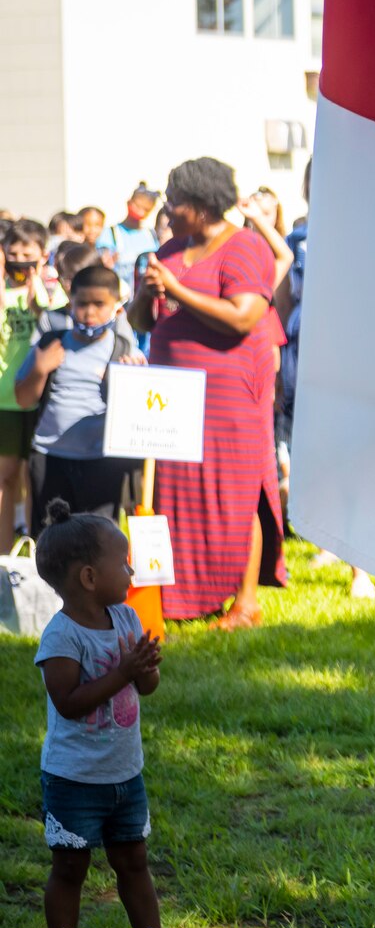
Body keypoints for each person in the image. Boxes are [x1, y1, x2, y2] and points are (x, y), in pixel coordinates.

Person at [128, 158, 286, 627]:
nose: (168, 208)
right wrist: (147, 292)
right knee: (176, 494)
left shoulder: (244, 248)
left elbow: (242, 316)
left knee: (235, 491)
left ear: (199, 206)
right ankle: (177, 598)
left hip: (229, 393)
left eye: (175, 201)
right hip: (171, 393)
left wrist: (176, 287)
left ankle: (245, 602)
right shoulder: (171, 249)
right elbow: (143, 320)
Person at [34, 502, 188, 928]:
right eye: (123, 562)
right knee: (70, 866)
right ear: (87, 577)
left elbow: (146, 687)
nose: (131, 569)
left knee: (134, 860)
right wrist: (123, 670)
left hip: (125, 773)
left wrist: (144, 670)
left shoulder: (124, 619)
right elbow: (69, 703)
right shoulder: (61, 636)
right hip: (74, 777)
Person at [14, 265, 144, 533]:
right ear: (70, 300)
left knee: (97, 538)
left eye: (100, 304)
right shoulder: (52, 342)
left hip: (100, 461)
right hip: (50, 457)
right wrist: (40, 369)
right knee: (51, 538)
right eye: (82, 303)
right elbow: (24, 399)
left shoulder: (123, 349)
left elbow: (137, 412)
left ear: (115, 306)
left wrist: (129, 381)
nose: (90, 312)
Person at [2, 219, 54, 549]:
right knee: (5, 477)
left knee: (34, 479)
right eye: (13, 252)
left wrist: (38, 292)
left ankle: (35, 545)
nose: (19, 259)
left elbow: (49, 321)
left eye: (27, 253)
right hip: (4, 399)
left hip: (39, 400)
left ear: (42, 255)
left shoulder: (52, 291)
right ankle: (4, 550)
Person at [94, 185, 160, 294]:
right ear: (129, 202)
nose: (140, 211)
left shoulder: (151, 235)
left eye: (146, 209)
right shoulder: (111, 233)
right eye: (137, 206)